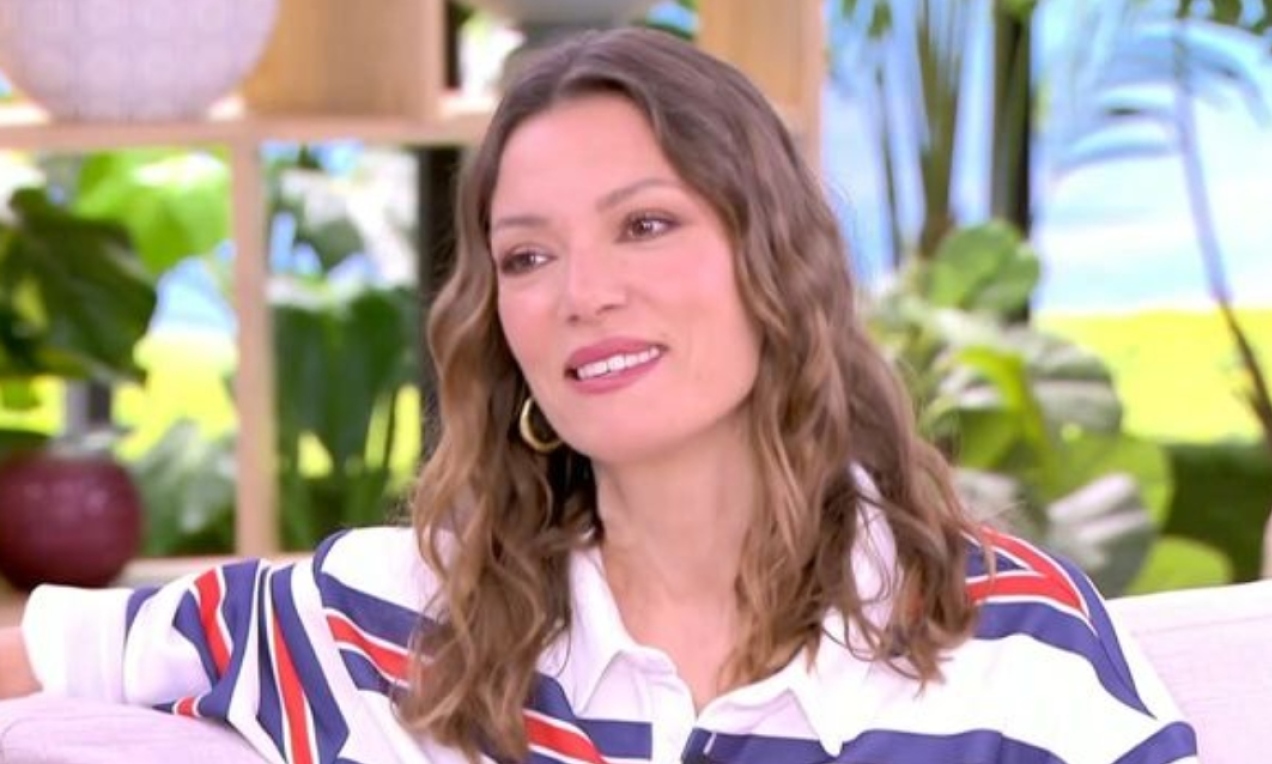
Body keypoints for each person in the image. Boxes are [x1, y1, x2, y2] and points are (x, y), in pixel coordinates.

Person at [0, 27, 1198, 764]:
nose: (583, 292)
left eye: (646, 224)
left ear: (772, 260)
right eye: (527, 255)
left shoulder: (1012, 640)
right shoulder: (385, 616)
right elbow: (49, 658)